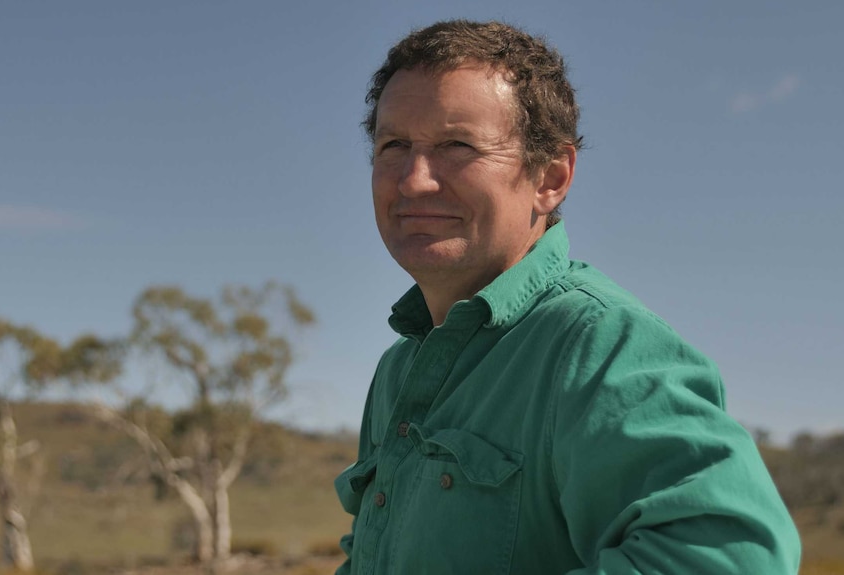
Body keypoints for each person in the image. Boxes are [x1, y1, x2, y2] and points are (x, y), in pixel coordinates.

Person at [335, 19, 800, 575]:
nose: (413, 179)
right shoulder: (400, 367)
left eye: (456, 145)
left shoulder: (599, 342)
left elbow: (732, 557)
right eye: (393, 145)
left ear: (551, 177)